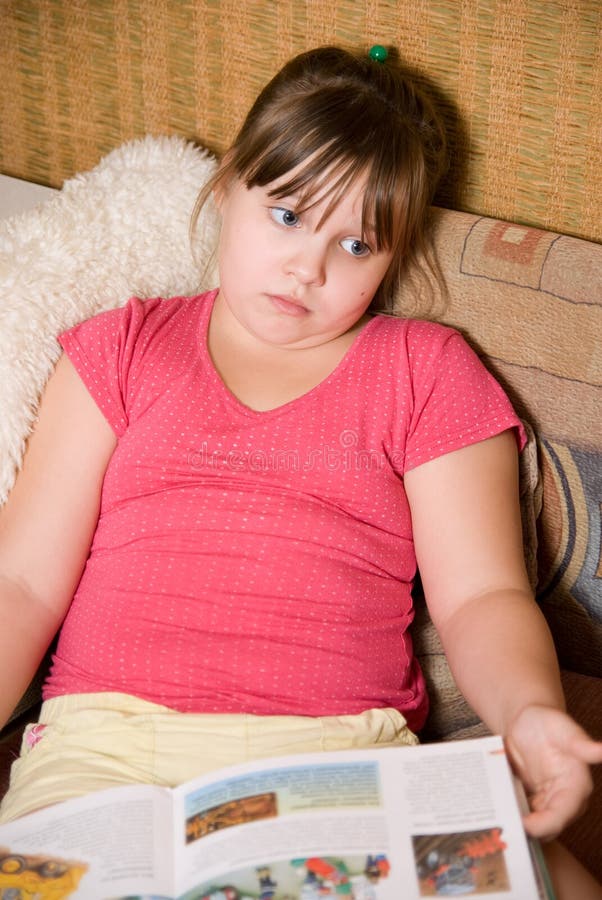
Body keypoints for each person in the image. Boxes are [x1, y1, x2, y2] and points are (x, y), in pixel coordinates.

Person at [0, 45, 600, 895]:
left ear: (393, 257)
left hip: (340, 760)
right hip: (104, 752)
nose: (308, 267)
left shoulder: (426, 369)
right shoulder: (122, 348)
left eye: (356, 243)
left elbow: (482, 598)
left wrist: (530, 713)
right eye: (286, 215)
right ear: (229, 186)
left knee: (555, 881)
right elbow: (20, 581)